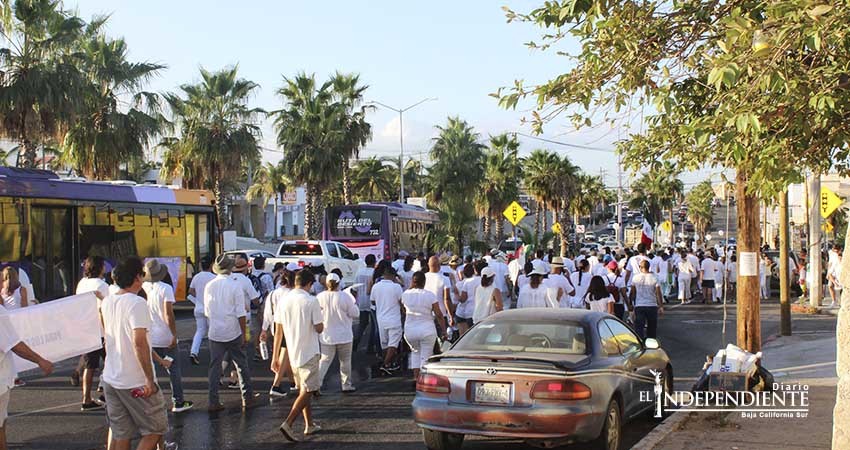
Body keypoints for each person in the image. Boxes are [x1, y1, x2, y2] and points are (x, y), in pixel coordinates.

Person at [100, 256, 168, 450]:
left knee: (122, 433)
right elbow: (139, 343)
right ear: (137, 277)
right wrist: (149, 379)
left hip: (112, 376)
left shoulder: (108, 301)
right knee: (155, 430)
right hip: (135, 380)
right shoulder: (137, 304)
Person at [274, 269, 324, 442]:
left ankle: (309, 424)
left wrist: (275, 357)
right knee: (309, 390)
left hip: (293, 354)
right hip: (309, 351)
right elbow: (319, 328)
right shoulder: (311, 301)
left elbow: (278, 332)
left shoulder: (283, 300)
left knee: (304, 390)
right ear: (309, 284)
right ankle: (288, 423)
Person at [141, 260, 193, 413]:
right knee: (174, 368)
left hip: (150, 334)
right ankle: (178, 401)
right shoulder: (166, 288)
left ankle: (151, 403)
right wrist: (174, 334)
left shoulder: (143, 288)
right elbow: (168, 314)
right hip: (164, 334)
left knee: (151, 370)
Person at [204, 255, 255, 412]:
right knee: (241, 364)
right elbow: (241, 313)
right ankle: (247, 398)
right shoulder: (235, 286)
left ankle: (213, 401)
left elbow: (207, 311)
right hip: (233, 330)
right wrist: (242, 333)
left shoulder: (209, 285)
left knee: (215, 367)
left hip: (215, 331)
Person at [74, 256, 110, 411]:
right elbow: (106, 308)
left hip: (86, 328)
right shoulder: (102, 285)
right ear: (100, 268)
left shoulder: (82, 283)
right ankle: (106, 393)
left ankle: (86, 398)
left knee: (90, 365)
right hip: (101, 330)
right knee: (111, 362)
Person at [316, 273, 359, 393]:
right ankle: (346, 385)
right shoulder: (345, 297)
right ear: (339, 283)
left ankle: (316, 384)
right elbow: (355, 313)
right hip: (344, 335)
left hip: (326, 335)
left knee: (324, 361)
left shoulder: (320, 297)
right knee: (345, 361)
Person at [402, 272, 448, 380]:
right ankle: (423, 379)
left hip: (410, 330)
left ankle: (415, 378)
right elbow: (439, 315)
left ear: (413, 281)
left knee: (415, 353)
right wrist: (444, 331)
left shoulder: (405, 295)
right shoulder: (430, 295)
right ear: (424, 282)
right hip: (427, 329)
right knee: (426, 355)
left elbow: (403, 310)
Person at [262, 269, 294, 398]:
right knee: (285, 354)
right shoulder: (293, 294)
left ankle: (293, 382)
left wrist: (264, 329)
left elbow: (267, 312)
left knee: (286, 356)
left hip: (275, 325)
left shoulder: (273, 294)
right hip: (289, 326)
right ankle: (276, 385)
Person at [371, 266, 404, 374]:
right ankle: (385, 364)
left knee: (384, 344)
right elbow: (401, 303)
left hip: (381, 318)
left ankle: (389, 364)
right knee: (393, 344)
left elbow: (373, 301)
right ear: (393, 276)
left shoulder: (375, 287)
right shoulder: (397, 287)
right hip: (394, 319)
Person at [188, 257, 215, 365]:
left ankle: (194, 352)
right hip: (210, 309)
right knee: (212, 332)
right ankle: (214, 354)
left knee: (199, 331)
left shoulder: (196, 277)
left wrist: (199, 297)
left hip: (198, 307)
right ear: (211, 266)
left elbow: (190, 291)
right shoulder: (214, 277)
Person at [629, 260, 664, 340]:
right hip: (652, 305)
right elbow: (658, 293)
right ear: (649, 267)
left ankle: (640, 342)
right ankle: (651, 342)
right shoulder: (654, 277)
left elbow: (632, 292)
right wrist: (661, 306)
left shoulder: (635, 277)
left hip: (639, 305)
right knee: (652, 327)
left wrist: (630, 304)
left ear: (640, 267)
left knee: (639, 327)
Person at [353, 254, 377, 353]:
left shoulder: (359, 272)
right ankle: (370, 347)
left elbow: (354, 288)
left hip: (361, 301)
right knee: (374, 325)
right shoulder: (374, 273)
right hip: (372, 301)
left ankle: (356, 342)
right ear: (374, 262)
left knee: (362, 324)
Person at [424, 256, 452, 332]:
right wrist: (451, 315)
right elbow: (447, 299)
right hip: (441, 313)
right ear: (439, 266)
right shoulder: (445, 279)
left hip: (426, 314)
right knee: (443, 338)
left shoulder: (423, 277)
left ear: (428, 265)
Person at [457, 262, 483, 334]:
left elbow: (463, 299)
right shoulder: (485, 281)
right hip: (481, 312)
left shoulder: (468, 282)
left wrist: (457, 296)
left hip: (469, 311)